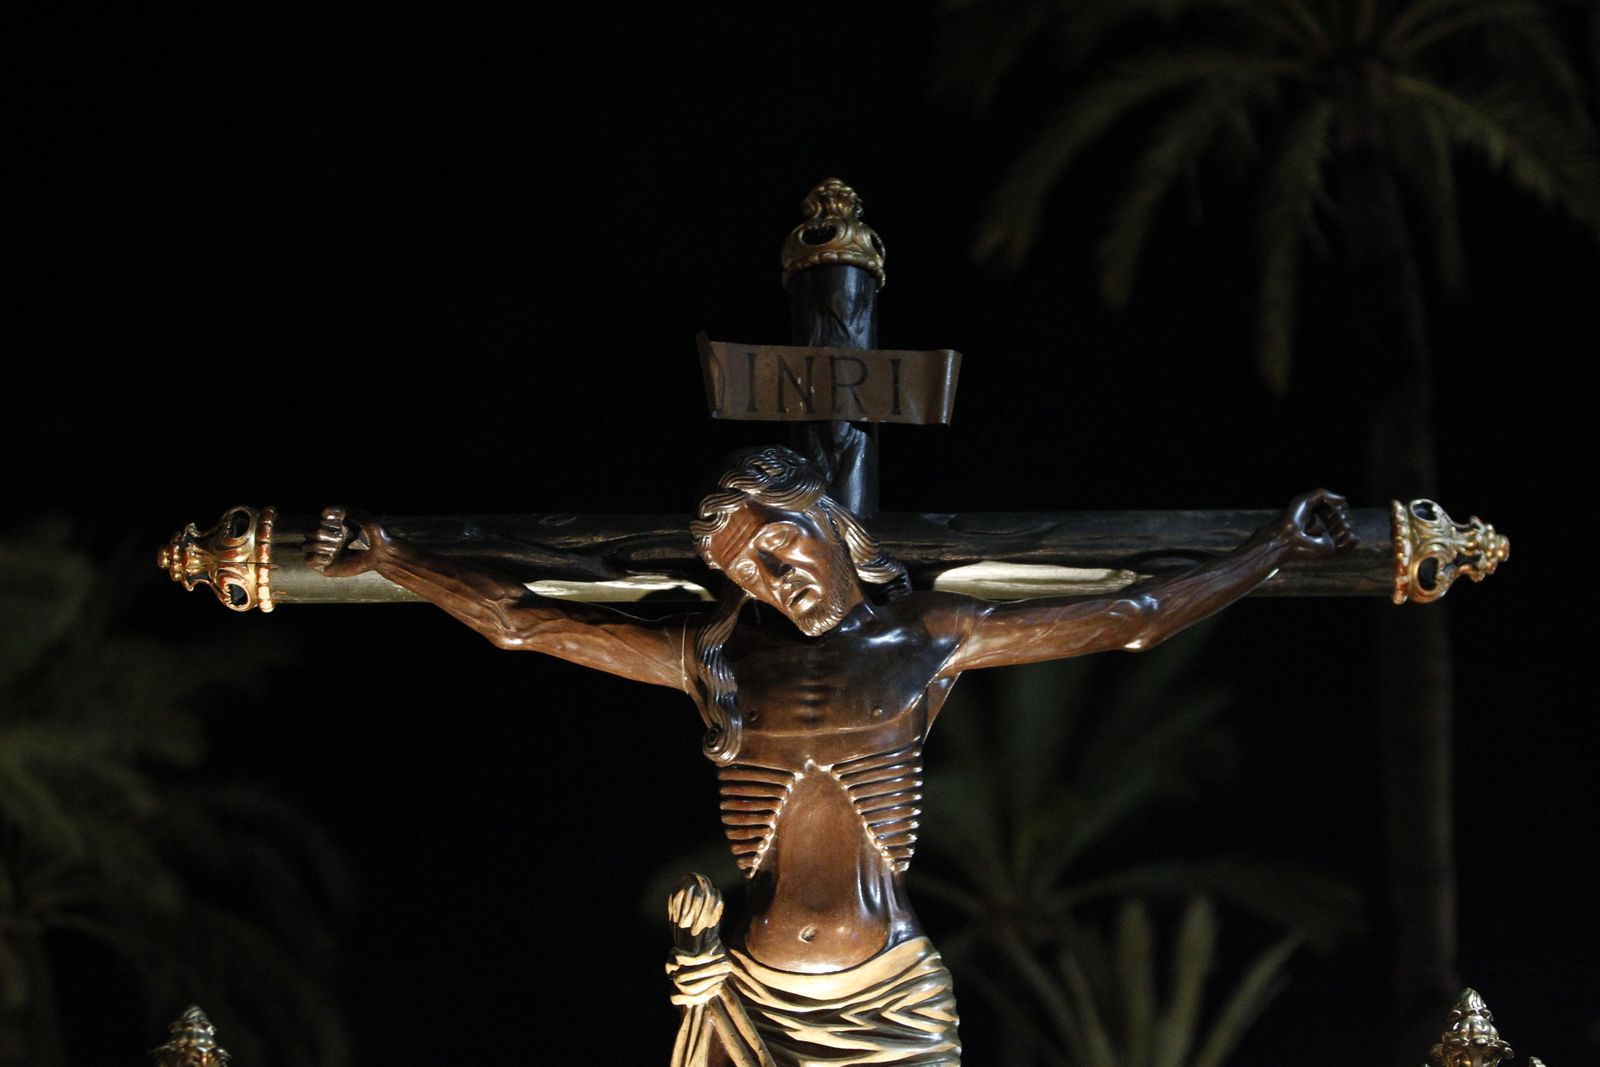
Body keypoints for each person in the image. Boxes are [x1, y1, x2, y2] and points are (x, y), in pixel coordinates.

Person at [307, 445, 1353, 1066]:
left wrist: (1274, 547)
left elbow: (1131, 617)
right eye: (745, 571)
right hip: (751, 1002)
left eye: (777, 544)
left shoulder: (929, 637)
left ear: (823, 518)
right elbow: (520, 623)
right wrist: (392, 554)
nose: (770, 578)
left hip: (888, 1001)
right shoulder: (713, 655)